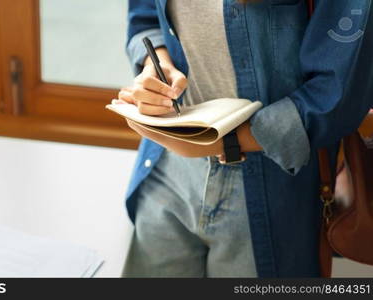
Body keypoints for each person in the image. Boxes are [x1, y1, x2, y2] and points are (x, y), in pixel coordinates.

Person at [117, 0, 373, 277]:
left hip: (272, 190)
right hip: (167, 173)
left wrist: (225, 141)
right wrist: (156, 65)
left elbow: (339, 93)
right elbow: (145, 15)